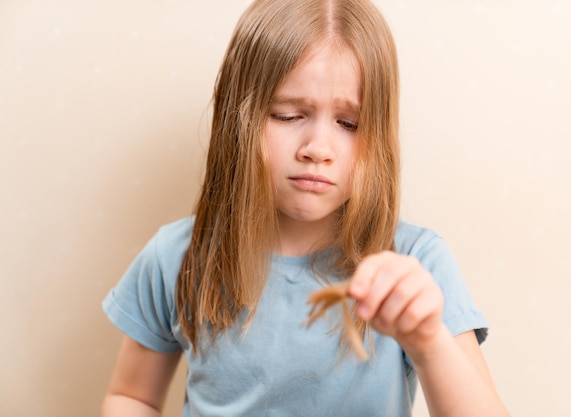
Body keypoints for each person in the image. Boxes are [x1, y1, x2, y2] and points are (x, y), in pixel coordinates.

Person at [101, 0, 510, 416]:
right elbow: (132, 396)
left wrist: (427, 343)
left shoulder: (417, 263)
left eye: (349, 124)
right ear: (237, 121)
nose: (318, 149)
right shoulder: (176, 258)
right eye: (288, 115)